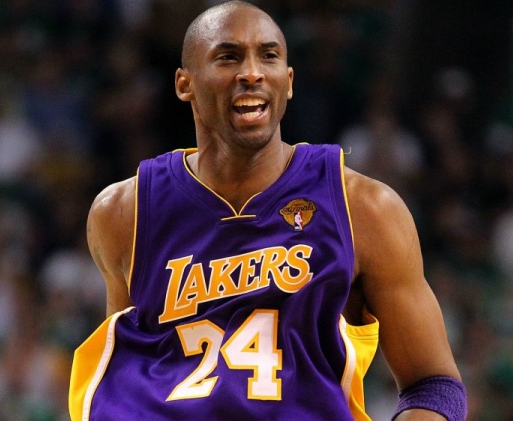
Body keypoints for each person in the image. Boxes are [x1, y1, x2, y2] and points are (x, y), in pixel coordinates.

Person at [69, 1, 465, 420]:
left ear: (288, 82)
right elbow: (125, 377)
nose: (252, 73)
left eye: (269, 56)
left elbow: (435, 386)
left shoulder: (364, 208)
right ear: (185, 84)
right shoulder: (124, 213)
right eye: (228, 57)